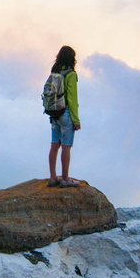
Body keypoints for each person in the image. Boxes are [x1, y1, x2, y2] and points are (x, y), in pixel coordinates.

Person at [48, 45, 81, 187]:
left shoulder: (55, 71)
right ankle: (65, 179)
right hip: (65, 113)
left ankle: (53, 177)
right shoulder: (71, 74)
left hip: (54, 112)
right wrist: (76, 119)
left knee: (54, 144)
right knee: (66, 146)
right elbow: (72, 99)